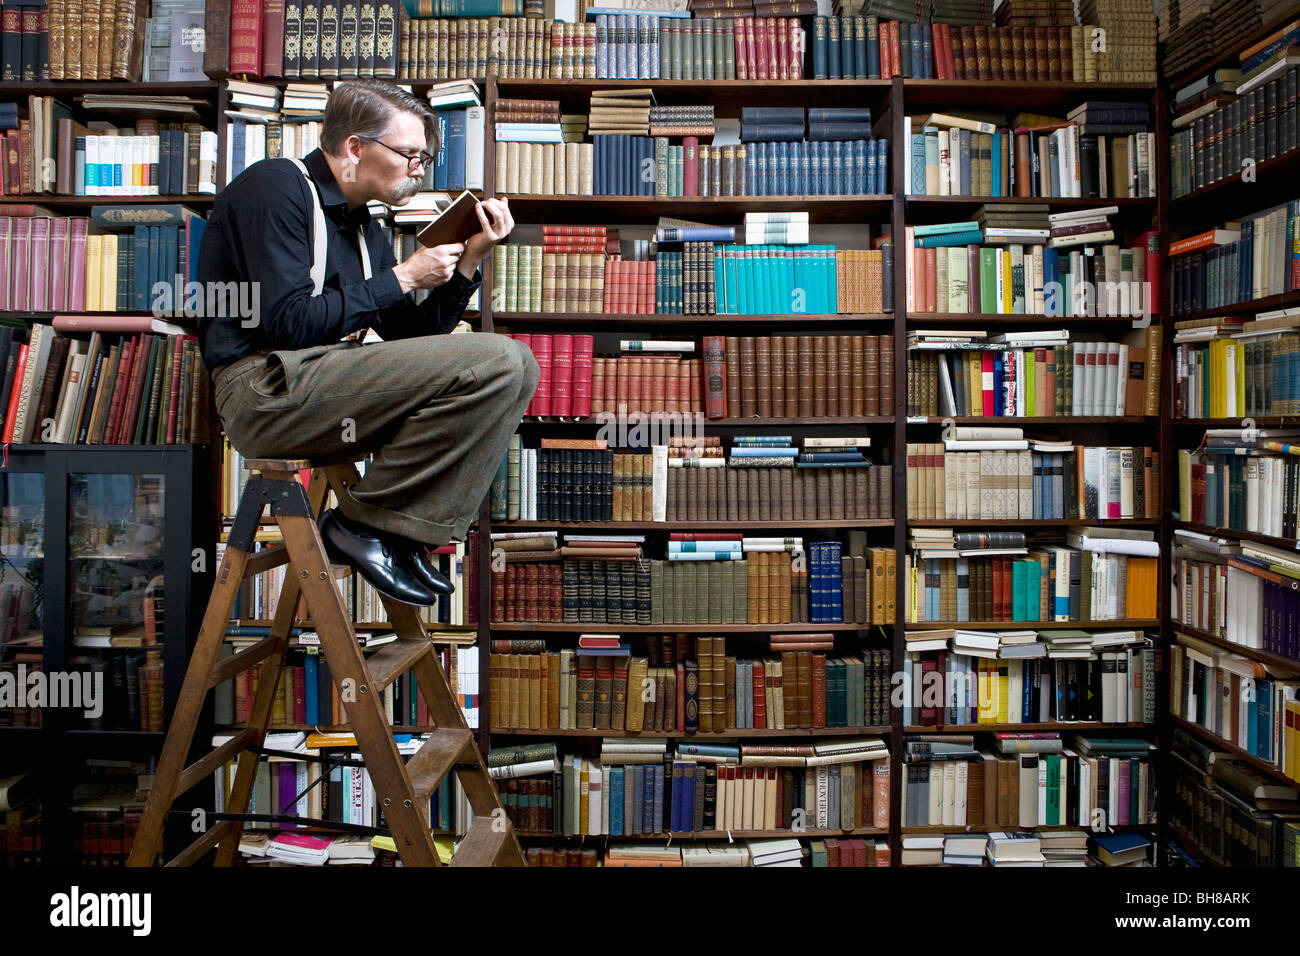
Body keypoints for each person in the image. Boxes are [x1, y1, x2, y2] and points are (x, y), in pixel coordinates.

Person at [197, 79, 539, 606]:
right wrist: (401, 277)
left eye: (424, 157)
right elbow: (288, 324)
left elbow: (416, 339)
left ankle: (391, 531)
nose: (419, 168)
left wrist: (469, 259)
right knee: (501, 358)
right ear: (355, 147)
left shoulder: (364, 227)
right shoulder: (276, 188)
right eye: (410, 154)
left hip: (324, 378)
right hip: (261, 390)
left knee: (514, 366)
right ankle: (363, 526)